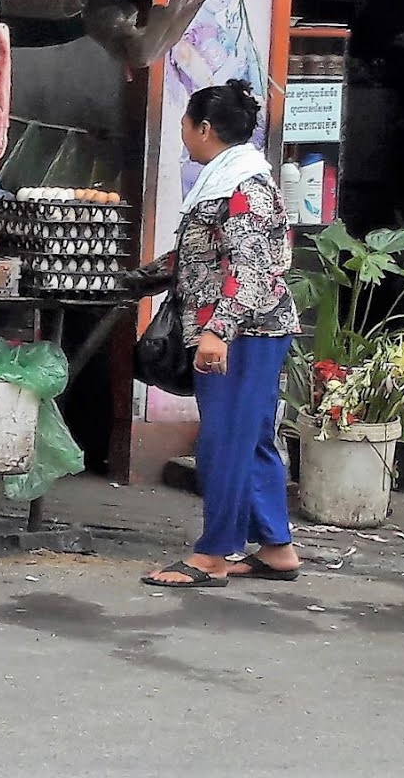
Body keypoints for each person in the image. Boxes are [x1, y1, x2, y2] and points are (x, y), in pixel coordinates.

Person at [141, 80, 301, 590]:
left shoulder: (243, 187)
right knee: (250, 438)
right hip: (245, 330)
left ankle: (214, 553)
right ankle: (276, 547)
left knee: (225, 441)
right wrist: (141, 277)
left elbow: (249, 268)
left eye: (186, 125)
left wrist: (217, 332)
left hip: (244, 333)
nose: (184, 136)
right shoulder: (226, 180)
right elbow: (201, 256)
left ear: (204, 128)